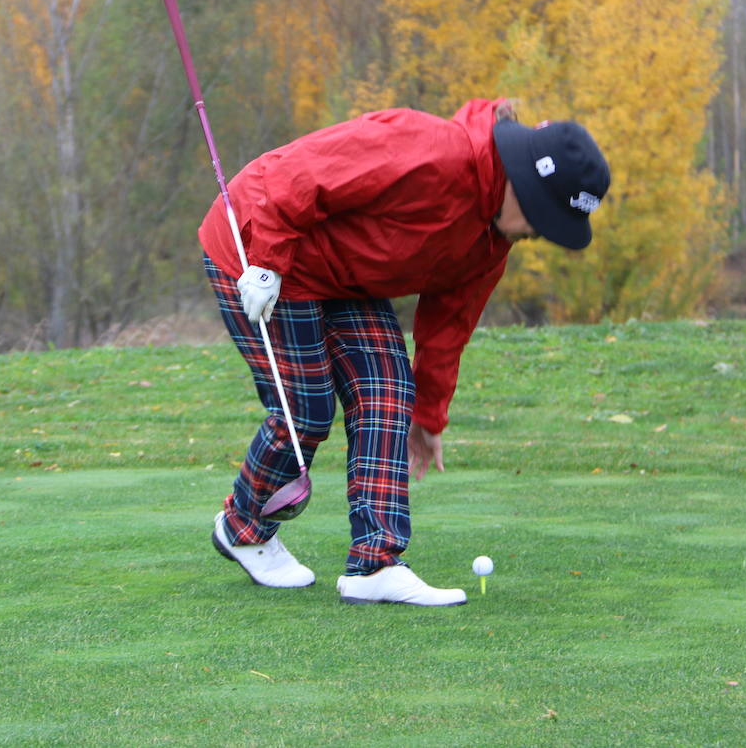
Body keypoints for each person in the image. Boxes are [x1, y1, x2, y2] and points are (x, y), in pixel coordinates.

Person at [201, 98, 610, 606]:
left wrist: (430, 416)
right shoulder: (430, 151)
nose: (534, 234)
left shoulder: (491, 241)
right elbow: (299, 173)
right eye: (540, 217)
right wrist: (265, 261)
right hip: (261, 247)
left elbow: (448, 327)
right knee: (304, 415)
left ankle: (375, 564)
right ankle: (243, 526)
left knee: (390, 391)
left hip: (341, 276)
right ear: (522, 181)